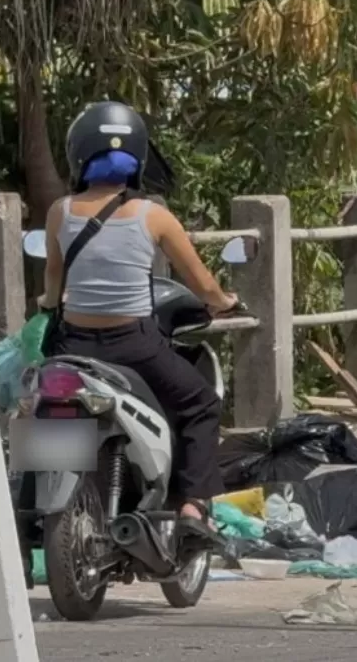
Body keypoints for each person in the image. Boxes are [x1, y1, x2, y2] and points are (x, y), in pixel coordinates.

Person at [38, 100, 240, 527]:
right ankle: (191, 506)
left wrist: (46, 306)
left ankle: (33, 513)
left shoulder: (60, 212)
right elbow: (203, 285)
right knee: (201, 403)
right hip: (134, 346)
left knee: (44, 406)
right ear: (137, 161)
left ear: (79, 155)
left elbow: (52, 288)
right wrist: (224, 302)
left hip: (73, 343)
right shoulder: (155, 217)